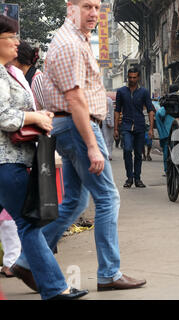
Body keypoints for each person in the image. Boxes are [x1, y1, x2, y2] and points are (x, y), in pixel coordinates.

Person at [12, 0, 146, 293]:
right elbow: (75, 100)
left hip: (70, 125)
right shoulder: (70, 43)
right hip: (77, 125)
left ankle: (25, 261)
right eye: (87, 7)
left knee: (74, 201)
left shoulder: (75, 40)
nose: (94, 13)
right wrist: (93, 146)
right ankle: (109, 274)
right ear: (70, 8)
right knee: (108, 199)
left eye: (97, 7)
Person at [0, 15, 87, 300]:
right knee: (28, 225)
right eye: (11, 37)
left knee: (27, 224)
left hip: (17, 158)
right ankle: (54, 288)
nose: (17, 42)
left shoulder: (10, 73)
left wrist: (40, 117)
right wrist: (34, 116)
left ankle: (52, 286)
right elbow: (3, 115)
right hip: (6, 161)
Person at [114, 67, 155, 188]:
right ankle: (129, 177)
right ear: (127, 77)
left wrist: (151, 129)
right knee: (127, 150)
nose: (132, 80)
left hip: (140, 126)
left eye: (134, 77)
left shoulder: (144, 92)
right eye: (130, 77)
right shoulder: (121, 91)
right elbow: (117, 110)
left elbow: (151, 110)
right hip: (126, 126)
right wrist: (116, 128)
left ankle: (137, 178)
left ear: (138, 78)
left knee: (138, 153)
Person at [0, 208, 20, 277]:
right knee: (13, 243)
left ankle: (6, 266)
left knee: (7, 242)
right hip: (9, 215)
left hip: (4, 215)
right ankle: (10, 266)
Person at [101, 96, 114, 161]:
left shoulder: (106, 100)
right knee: (108, 139)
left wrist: (108, 121)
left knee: (107, 138)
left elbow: (107, 111)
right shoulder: (108, 99)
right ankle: (108, 154)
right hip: (107, 122)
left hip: (106, 122)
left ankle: (108, 154)